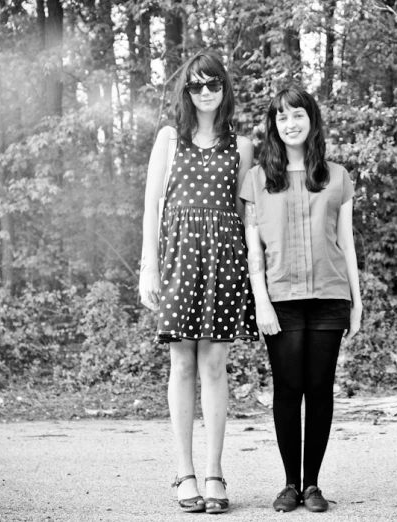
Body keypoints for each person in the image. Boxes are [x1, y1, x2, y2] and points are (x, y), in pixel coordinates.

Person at [138, 50, 258, 515]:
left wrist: (255, 274)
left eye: (213, 85)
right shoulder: (170, 138)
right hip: (178, 259)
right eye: (196, 86)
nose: (205, 93)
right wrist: (148, 266)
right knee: (181, 365)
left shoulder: (241, 145)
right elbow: (152, 206)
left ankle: (214, 474)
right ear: (186, 92)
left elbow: (246, 214)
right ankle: (184, 472)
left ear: (224, 90)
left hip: (225, 262)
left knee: (214, 365)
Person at [240, 86, 362, 513]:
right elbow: (254, 250)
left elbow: (346, 243)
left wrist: (357, 301)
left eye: (298, 116)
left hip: (330, 295)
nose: (290, 124)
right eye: (281, 117)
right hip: (281, 297)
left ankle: (313, 486)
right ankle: (289, 484)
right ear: (274, 126)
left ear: (312, 121)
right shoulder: (256, 180)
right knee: (288, 389)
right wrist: (261, 302)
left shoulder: (337, 176)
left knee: (320, 389)